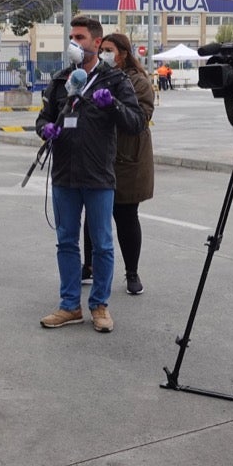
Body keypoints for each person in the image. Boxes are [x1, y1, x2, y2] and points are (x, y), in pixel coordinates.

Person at [35, 16, 145, 333]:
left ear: (97, 43)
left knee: (103, 245)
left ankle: (99, 306)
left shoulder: (115, 80)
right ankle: (70, 306)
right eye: (72, 37)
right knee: (66, 242)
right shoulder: (60, 80)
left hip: (99, 176)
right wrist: (47, 129)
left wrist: (113, 106)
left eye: (80, 37)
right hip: (65, 176)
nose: (75, 43)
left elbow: (136, 122)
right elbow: (43, 119)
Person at [82, 33, 155, 295]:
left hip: (127, 158)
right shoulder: (95, 77)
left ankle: (131, 272)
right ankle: (88, 266)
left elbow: (141, 117)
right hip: (99, 156)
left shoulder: (138, 82)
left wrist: (112, 106)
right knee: (93, 216)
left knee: (125, 216)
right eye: (102, 50)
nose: (104, 55)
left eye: (109, 50)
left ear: (122, 53)